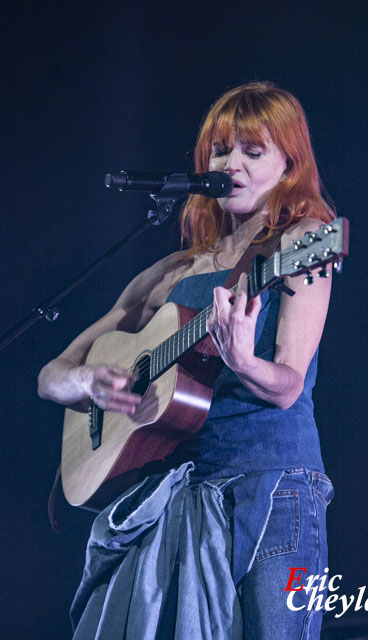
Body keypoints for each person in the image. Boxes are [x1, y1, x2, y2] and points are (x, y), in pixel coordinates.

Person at [38, 81, 336, 639]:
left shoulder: (306, 240)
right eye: (221, 151)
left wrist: (244, 361)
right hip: (173, 494)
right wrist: (89, 381)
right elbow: (50, 376)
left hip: (271, 491)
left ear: (289, 163)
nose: (232, 164)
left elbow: (288, 385)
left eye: (253, 150)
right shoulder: (172, 271)